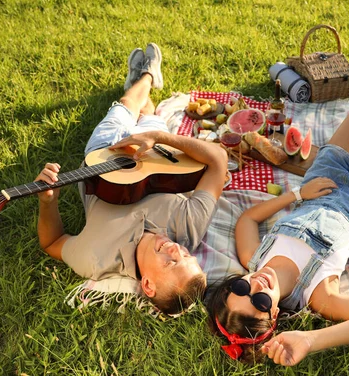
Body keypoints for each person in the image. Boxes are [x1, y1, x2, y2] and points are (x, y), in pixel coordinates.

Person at [207, 0, 349, 365]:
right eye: (259, 302)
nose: (256, 286)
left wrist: (297, 196)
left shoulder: (252, 256)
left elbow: (248, 218)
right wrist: (311, 340)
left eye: (241, 288)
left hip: (319, 182)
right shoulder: (319, 295)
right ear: (274, 315)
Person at [34, 43, 229, 315]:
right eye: (185, 256)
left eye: (170, 263)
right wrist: (159, 137)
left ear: (147, 285)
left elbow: (51, 243)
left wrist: (47, 202)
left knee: (127, 105)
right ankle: (146, 81)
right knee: (148, 115)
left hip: (103, 156)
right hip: (158, 152)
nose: (175, 249)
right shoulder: (189, 226)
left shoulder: (96, 258)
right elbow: (219, 161)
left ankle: (145, 76)